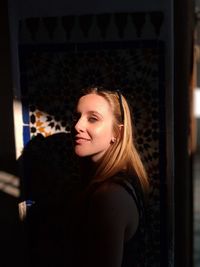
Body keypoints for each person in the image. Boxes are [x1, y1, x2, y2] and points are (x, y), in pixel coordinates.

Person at [71, 86, 149, 267]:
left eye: (93, 119)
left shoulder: (110, 196)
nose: (77, 126)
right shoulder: (120, 182)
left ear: (117, 133)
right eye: (77, 116)